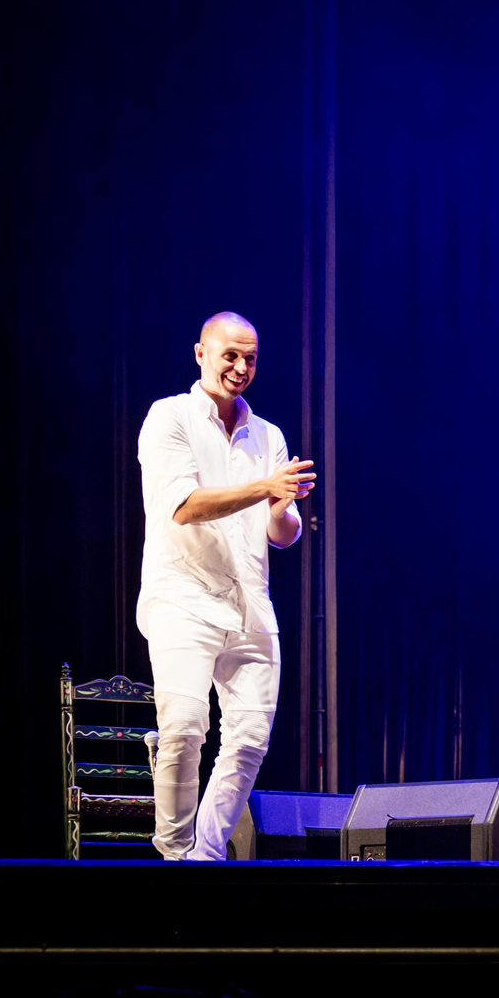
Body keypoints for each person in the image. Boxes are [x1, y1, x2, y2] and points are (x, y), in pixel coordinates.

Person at [136, 311, 313, 860]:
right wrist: (264, 487)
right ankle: (173, 855)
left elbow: (282, 533)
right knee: (185, 727)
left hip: (250, 605)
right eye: (230, 355)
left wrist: (282, 507)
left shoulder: (268, 435)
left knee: (250, 740)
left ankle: (205, 857)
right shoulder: (170, 417)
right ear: (201, 354)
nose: (240, 367)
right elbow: (185, 506)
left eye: (250, 358)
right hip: (183, 597)